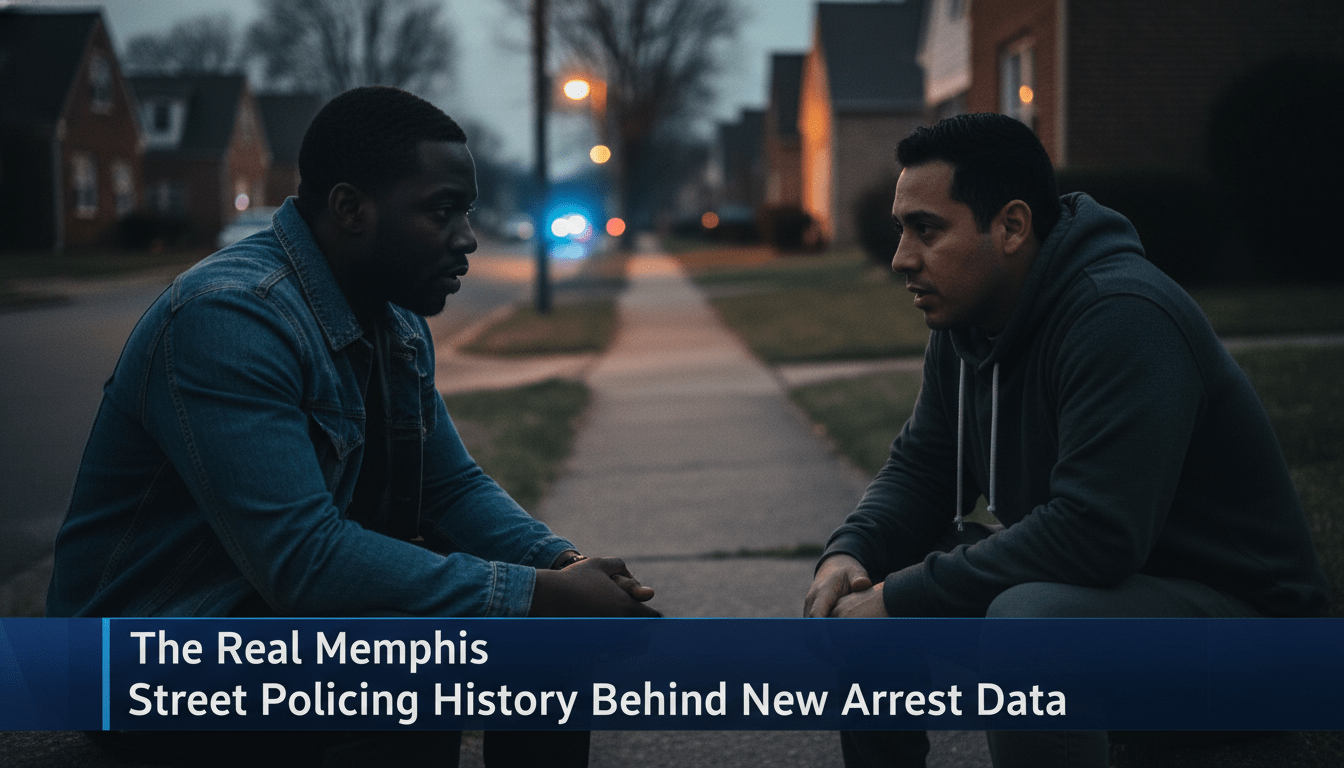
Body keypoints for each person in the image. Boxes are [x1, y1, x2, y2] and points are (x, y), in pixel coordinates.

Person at [47, 85, 656, 766]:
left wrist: (561, 565)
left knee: (544, 646)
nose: (468, 238)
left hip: (262, 621)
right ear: (350, 209)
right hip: (149, 652)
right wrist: (534, 594)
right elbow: (303, 558)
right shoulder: (228, 319)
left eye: (467, 210)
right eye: (441, 210)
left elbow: (448, 488)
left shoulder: (393, 320)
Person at [804, 113, 1329, 768]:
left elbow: (1095, 532)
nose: (901, 257)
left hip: (1249, 639)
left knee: (1031, 624)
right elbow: (921, 472)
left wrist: (899, 598)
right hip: (1115, 604)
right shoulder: (965, 324)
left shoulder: (1121, 315)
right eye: (902, 229)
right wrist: (850, 558)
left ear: (1013, 226)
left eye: (927, 230)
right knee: (874, 590)